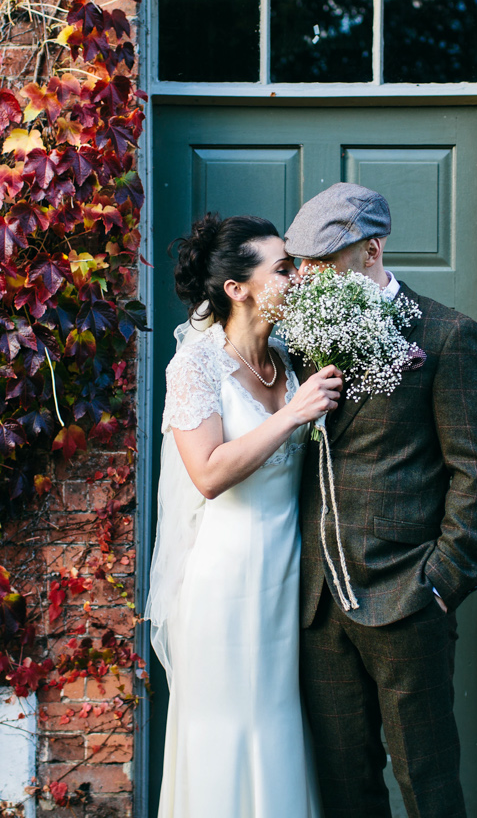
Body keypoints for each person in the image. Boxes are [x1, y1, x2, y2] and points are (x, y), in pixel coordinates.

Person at [285, 183, 477, 818]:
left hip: (408, 596)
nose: (310, 279)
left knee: (428, 782)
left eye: (324, 264)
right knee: (345, 783)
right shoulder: (300, 340)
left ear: (372, 250)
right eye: (304, 266)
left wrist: (442, 581)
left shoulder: (446, 336)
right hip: (319, 605)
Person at [148, 212, 343, 818]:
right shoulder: (196, 365)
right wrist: (291, 415)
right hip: (224, 581)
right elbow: (206, 473)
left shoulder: (289, 357)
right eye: (284, 269)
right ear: (237, 288)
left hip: (291, 575)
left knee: (280, 723)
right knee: (227, 730)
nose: (299, 278)